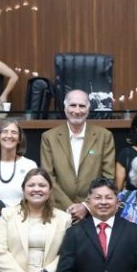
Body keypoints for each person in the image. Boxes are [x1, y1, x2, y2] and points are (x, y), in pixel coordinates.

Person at [39, 89, 116, 220]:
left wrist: (86, 206)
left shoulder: (104, 136)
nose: (77, 110)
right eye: (73, 105)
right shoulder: (49, 137)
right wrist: (70, 207)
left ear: (88, 109)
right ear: (65, 108)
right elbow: (48, 177)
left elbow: (108, 177)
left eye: (82, 106)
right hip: (58, 212)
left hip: (94, 212)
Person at [0, 118, 38, 207]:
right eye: (5, 131)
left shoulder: (30, 165)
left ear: (19, 139)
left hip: (23, 217)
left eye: (14, 132)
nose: (9, 136)